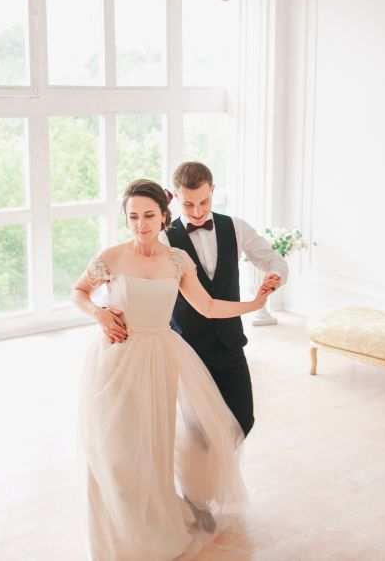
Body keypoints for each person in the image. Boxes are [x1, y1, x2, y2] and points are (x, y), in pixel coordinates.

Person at [71, 179, 274, 560]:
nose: (140, 224)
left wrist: (254, 303)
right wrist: (98, 312)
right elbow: (78, 292)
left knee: (152, 449)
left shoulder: (177, 261)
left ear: (164, 216)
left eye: (148, 216)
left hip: (159, 361)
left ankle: (152, 529)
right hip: (116, 360)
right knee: (115, 450)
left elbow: (209, 306)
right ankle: (115, 534)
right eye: (133, 217)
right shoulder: (111, 257)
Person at [160, 161, 288, 437]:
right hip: (188, 347)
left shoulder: (235, 227)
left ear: (213, 191)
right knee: (200, 430)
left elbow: (272, 259)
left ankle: (220, 475)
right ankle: (202, 480)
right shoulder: (164, 238)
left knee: (243, 420)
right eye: (188, 204)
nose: (197, 212)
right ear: (176, 196)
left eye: (204, 202)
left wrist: (275, 276)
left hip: (231, 341)